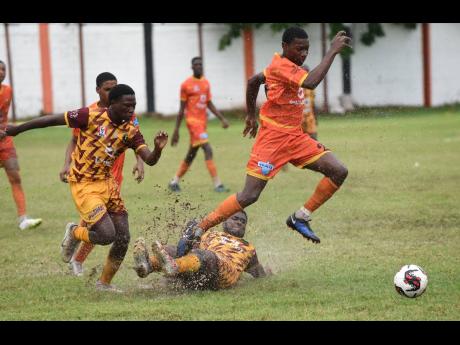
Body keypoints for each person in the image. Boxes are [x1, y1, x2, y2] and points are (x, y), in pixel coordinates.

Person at [178, 27, 351, 247]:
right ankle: (199, 228)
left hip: (296, 137)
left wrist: (251, 115)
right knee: (249, 195)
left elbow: (253, 81)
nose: (304, 54)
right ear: (284, 47)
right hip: (272, 139)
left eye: (307, 49)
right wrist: (332, 51)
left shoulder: (283, 67)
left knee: (339, 171)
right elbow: (311, 82)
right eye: (299, 49)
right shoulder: (281, 66)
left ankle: (300, 217)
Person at [0, 84, 168, 292]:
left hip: (108, 184)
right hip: (84, 183)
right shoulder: (89, 115)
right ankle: (74, 232)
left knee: (123, 236)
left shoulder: (131, 131)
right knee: (107, 235)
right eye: (127, 105)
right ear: (112, 103)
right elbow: (51, 120)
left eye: (134, 105)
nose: (131, 110)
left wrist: (158, 150)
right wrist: (17, 130)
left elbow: (149, 160)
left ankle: (104, 284)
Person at [60, 72, 144, 277]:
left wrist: (140, 161)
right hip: (89, 177)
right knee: (100, 227)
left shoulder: (127, 112)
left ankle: (80, 260)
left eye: (113, 88)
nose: (110, 92)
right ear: (98, 90)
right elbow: (74, 140)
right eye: (107, 89)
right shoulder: (89, 114)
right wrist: (66, 164)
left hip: (113, 178)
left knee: (111, 230)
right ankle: (76, 252)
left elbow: (137, 141)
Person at [133, 210, 270, 290]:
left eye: (243, 221)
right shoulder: (209, 234)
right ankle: (147, 266)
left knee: (206, 255)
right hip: (202, 269)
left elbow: (258, 272)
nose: (239, 222)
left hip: (224, 273)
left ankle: (174, 267)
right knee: (171, 249)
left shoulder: (247, 247)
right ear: (223, 221)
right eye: (235, 218)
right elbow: (188, 250)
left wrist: (269, 276)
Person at [169, 56, 230, 193]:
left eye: (200, 64)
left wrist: (222, 118)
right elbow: (181, 109)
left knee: (192, 153)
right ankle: (218, 184)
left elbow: (209, 103)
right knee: (208, 149)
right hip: (192, 122)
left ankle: (174, 182)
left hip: (202, 123)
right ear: (192, 67)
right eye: (196, 64)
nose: (198, 66)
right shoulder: (186, 85)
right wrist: (176, 130)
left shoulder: (206, 83)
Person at [0, 60, 42, 230]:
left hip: (5, 140)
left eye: (3, 69)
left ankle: (23, 219)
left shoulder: (8, 90)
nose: (1, 72)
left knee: (15, 177)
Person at [300, 65, 318, 140]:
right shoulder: (296, 87)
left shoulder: (311, 89)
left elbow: (312, 104)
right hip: (299, 121)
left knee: (313, 140)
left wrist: (316, 118)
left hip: (310, 119)